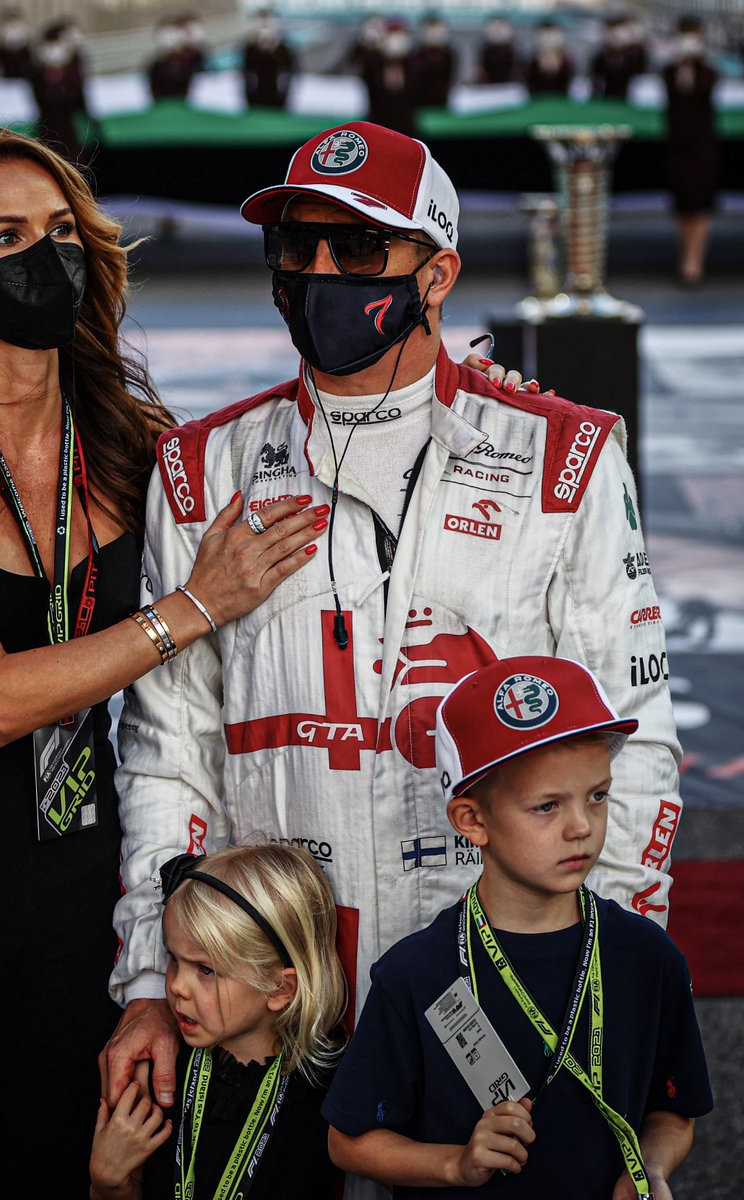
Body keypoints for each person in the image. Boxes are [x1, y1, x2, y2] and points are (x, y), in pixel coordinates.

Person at [104, 123, 684, 1184]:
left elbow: (632, 739)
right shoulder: (202, 467)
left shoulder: (564, 455)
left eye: (361, 249)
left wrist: (614, 968)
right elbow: (166, 754)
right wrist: (153, 975)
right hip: (270, 989)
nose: (321, 273)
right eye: (299, 246)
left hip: (492, 982)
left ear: (439, 272)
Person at [0, 124, 328, 1200]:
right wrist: (189, 608)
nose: (49, 257)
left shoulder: (131, 439)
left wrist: (462, 390)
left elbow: (306, 473)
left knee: (73, 1168)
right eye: (7, 237)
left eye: (63, 231)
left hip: (81, 875)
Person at [324, 656, 712, 1197]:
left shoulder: (647, 956)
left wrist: (650, 1168)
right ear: (472, 820)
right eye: (547, 806)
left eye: (597, 795)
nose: (581, 827)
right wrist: (455, 1164)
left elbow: (673, 1112)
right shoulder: (416, 973)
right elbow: (349, 1142)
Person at [89, 844, 346, 1198]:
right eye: (173, 959)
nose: (176, 986)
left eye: (205, 970)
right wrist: (108, 1182)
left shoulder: (330, 1092)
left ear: (278, 988)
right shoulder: (162, 1070)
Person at [662, 16, 719, 287]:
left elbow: (705, 89)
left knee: (700, 205)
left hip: (702, 147)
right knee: (683, 205)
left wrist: (694, 62)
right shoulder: (669, 71)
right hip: (677, 147)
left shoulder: (708, 71)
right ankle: (685, 256)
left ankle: (694, 262)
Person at [30, 18, 89, 163]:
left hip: (70, 141)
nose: (55, 50)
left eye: (59, 44)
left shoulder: (74, 77)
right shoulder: (36, 76)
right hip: (46, 139)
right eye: (51, 44)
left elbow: (80, 105)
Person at [242, 8, 296, 111]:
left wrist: (284, 99)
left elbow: (287, 77)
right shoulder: (250, 49)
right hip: (255, 100)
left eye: (268, 21)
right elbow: (247, 76)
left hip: (278, 100)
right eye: (261, 21)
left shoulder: (283, 49)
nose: (265, 25)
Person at [415, 14, 455, 109]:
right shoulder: (417, 54)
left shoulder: (449, 54)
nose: (433, 33)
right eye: (430, 28)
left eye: (436, 28)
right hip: (421, 103)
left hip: (443, 102)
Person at [525, 20, 573, 97]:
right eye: (545, 35)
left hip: (561, 98)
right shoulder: (532, 59)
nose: (548, 39)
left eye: (552, 35)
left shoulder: (567, 59)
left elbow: (570, 83)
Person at [476, 15, 519, 86]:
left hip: (510, 86)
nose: (498, 31)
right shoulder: (486, 50)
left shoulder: (514, 50)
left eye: (501, 27)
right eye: (495, 28)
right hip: (490, 87)